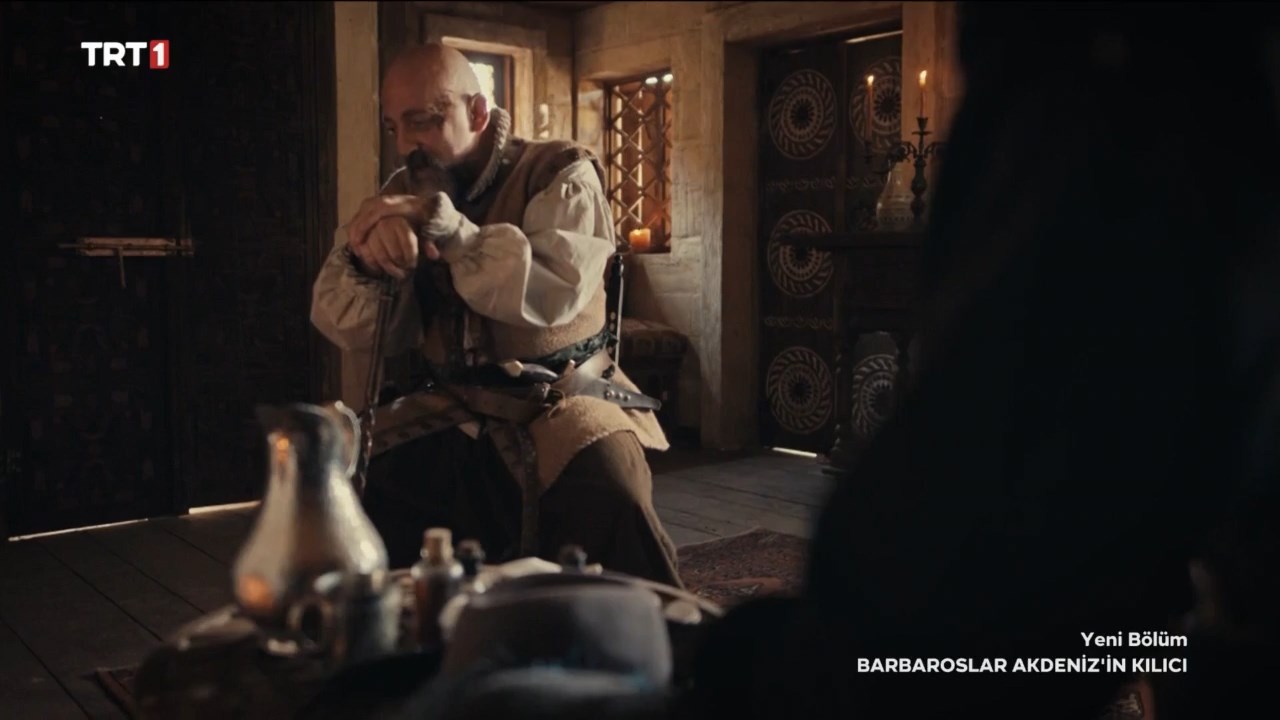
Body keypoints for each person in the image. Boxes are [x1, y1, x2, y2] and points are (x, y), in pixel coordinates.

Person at [309, 43, 682, 587]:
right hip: (451, 402)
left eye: (423, 121)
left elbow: (551, 295)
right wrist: (369, 259)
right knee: (356, 505)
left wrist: (457, 236)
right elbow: (357, 322)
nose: (406, 145)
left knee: (613, 497)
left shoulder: (559, 172)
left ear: (478, 112)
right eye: (394, 127)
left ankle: (657, 633)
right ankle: (422, 631)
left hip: (563, 399)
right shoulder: (400, 192)